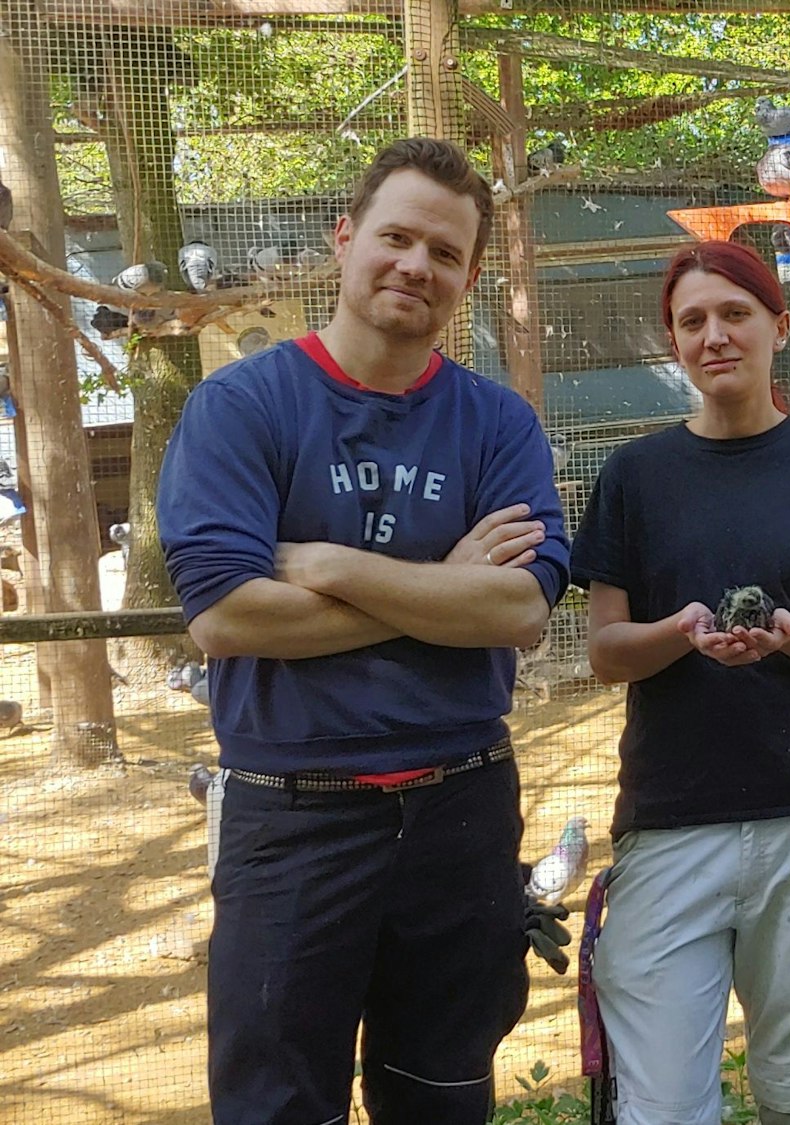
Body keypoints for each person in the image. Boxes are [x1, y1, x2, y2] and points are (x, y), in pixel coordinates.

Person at [157, 137, 572, 1124]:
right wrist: (442, 592)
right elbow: (225, 616)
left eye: (443, 253)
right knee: (276, 1102)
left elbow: (517, 610)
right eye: (395, 237)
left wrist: (332, 566)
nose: (414, 266)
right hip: (291, 815)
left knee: (441, 1092)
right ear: (344, 241)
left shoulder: (495, 423)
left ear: (467, 277)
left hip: (461, 809)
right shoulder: (241, 407)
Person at [572, 239, 790, 1125]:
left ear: (779, 327)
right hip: (672, 824)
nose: (715, 335)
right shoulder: (635, 477)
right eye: (692, 321)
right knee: (665, 1107)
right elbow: (607, 651)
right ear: (674, 343)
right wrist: (679, 632)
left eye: (735, 314)